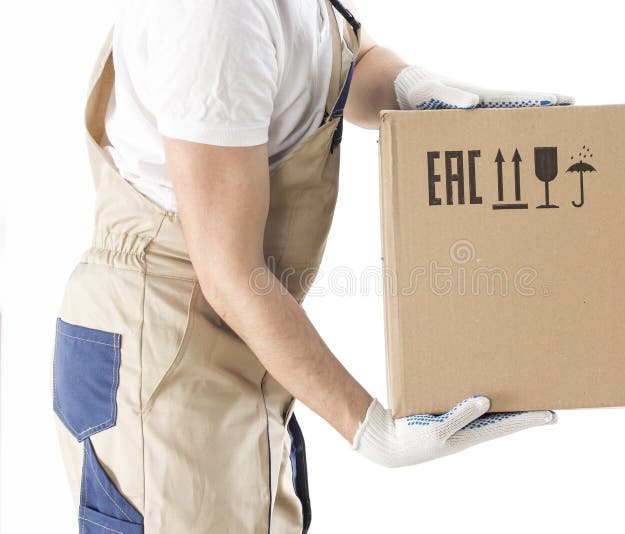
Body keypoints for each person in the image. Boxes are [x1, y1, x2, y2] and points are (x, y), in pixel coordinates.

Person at [50, 0, 572, 532]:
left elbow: (342, 59)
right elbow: (229, 277)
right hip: (164, 342)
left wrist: (413, 86)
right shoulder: (212, 14)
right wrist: (372, 431)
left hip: (237, 331)